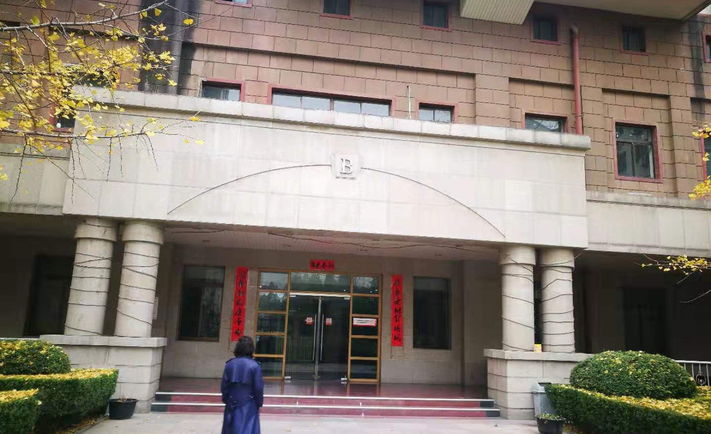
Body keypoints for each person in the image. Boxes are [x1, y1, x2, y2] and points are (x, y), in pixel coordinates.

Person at [221, 336, 264, 434]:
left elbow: (224, 386)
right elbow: (258, 388)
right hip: (249, 404)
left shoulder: (229, 364)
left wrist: (226, 399)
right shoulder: (255, 365)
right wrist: (259, 402)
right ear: (251, 348)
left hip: (232, 403)